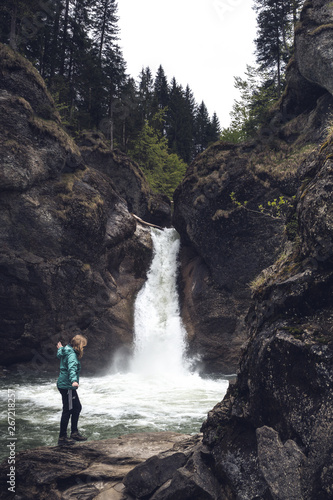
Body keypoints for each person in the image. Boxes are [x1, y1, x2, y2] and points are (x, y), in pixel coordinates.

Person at [56, 334, 88, 446]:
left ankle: (74, 433)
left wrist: (60, 348)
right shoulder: (72, 355)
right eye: (83, 346)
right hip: (67, 386)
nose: (83, 348)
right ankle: (62, 437)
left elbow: (60, 353)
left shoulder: (66, 350)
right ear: (78, 346)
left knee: (76, 407)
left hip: (65, 384)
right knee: (68, 410)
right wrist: (74, 381)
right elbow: (72, 368)